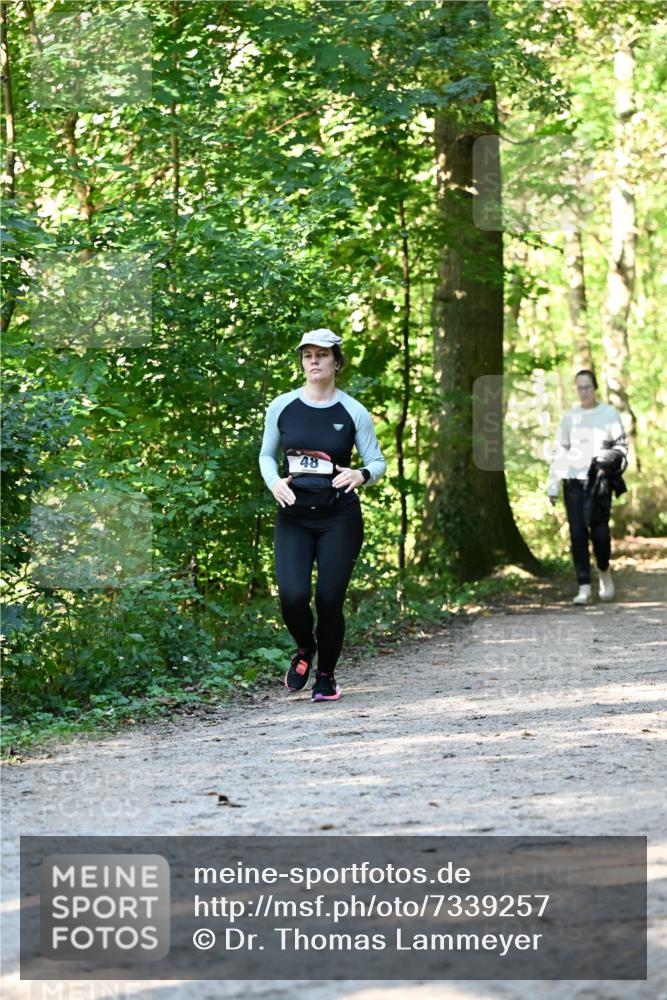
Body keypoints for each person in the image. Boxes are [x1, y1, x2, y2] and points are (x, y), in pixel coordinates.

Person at [259, 328, 386, 701]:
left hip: (338, 518)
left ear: (336, 361)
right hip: (294, 515)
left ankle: (326, 675)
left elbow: (376, 461)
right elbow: (267, 454)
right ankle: (304, 649)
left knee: (329, 599)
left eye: (322, 354)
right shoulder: (282, 406)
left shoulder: (353, 411)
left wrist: (360, 474)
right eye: (307, 355)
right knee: (293, 596)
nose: (314, 361)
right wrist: (273, 482)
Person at [546, 369, 628, 605]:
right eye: (579, 387)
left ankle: (604, 570)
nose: (583, 392)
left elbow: (622, 449)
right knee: (578, 534)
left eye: (587, 387)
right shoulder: (569, 418)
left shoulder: (609, 414)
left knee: (600, 534)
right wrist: (553, 485)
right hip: (573, 482)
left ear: (595, 388)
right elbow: (559, 452)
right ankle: (583, 586)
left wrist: (608, 460)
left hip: (600, 482)